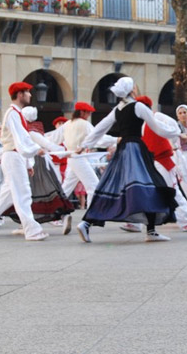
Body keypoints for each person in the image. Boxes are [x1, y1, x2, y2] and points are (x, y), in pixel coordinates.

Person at [76, 77, 181, 243]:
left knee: (112, 186)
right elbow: (157, 127)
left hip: (123, 149)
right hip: (136, 149)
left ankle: (86, 222)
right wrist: (177, 132)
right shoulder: (138, 106)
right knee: (151, 185)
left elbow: (100, 127)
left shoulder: (118, 108)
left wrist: (84, 145)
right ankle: (151, 231)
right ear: (132, 90)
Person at [0, 83, 49, 241]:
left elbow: (22, 138)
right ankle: (32, 230)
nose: (30, 95)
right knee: (23, 193)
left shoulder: (16, 113)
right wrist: (35, 150)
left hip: (15, 157)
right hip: (13, 157)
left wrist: (28, 162)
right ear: (20, 94)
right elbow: (21, 137)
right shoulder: (13, 113)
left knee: (6, 196)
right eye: (27, 92)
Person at [119, 96, 187, 233]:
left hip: (163, 159)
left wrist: (175, 142)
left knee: (172, 190)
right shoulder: (138, 123)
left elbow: (172, 126)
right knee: (141, 191)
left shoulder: (158, 116)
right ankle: (136, 223)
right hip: (146, 161)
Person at [61, 102, 117, 209]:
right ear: (82, 112)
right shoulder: (84, 124)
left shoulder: (67, 124)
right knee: (93, 186)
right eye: (88, 113)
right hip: (79, 158)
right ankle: (90, 215)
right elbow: (97, 138)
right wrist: (116, 140)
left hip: (73, 158)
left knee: (66, 188)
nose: (89, 115)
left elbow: (57, 139)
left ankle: (55, 212)